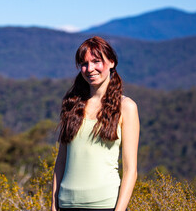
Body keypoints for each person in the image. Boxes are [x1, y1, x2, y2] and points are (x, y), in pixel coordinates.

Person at [51, 36, 140, 211]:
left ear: (112, 62)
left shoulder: (126, 107)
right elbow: (60, 162)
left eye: (96, 61)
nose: (89, 69)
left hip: (106, 205)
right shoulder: (71, 105)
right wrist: (54, 205)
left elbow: (131, 170)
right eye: (84, 64)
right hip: (67, 204)